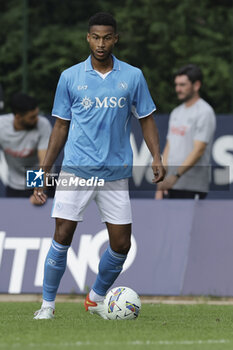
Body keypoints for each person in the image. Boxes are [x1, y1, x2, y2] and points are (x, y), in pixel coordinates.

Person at [33, 12, 165, 320]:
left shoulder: (132, 76)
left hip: (115, 174)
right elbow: (59, 128)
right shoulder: (70, 77)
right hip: (76, 170)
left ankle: (95, 299)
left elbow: (146, 119)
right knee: (62, 235)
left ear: (116, 38)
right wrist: (43, 171)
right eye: (95, 37)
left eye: (107, 37)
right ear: (87, 38)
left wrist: (156, 156)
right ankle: (47, 305)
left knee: (121, 244)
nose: (101, 43)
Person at [155, 64, 216, 200]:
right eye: (176, 85)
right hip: (170, 185)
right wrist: (162, 181)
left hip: (192, 186)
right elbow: (169, 147)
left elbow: (198, 150)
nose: (178, 89)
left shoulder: (204, 112)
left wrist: (175, 176)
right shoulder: (176, 112)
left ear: (196, 85)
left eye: (182, 85)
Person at [0, 92, 52, 204]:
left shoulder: (43, 125)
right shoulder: (2, 126)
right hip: (15, 186)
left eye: (37, 114)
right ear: (18, 117)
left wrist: (39, 190)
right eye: (32, 117)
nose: (37, 119)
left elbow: (44, 161)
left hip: (39, 183)